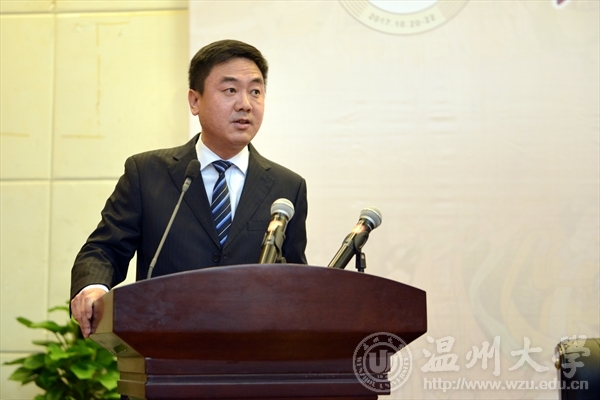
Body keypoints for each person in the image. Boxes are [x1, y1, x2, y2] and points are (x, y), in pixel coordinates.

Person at [70, 39, 308, 338]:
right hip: (163, 345)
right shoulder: (147, 173)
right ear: (195, 101)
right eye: (230, 90)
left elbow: (295, 278)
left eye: (255, 91)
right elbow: (105, 248)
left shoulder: (287, 187)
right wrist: (93, 287)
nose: (245, 104)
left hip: (252, 352)